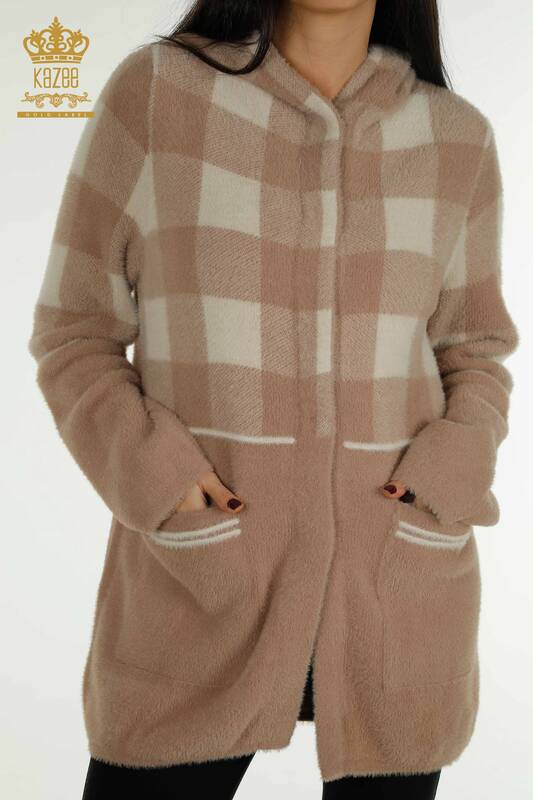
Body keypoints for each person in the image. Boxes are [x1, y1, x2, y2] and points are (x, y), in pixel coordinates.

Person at [28, 1, 519, 798]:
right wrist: (159, 480)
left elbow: (475, 350)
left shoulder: (456, 139)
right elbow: (74, 332)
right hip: (201, 585)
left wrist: (447, 473)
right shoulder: (157, 93)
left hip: (396, 593)